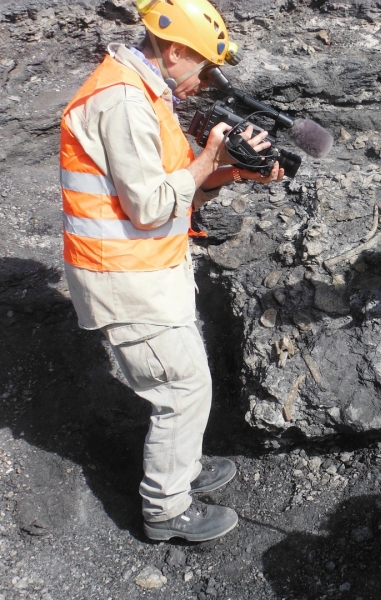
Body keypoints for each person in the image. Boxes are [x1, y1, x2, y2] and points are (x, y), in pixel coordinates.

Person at [60, 0, 284, 542]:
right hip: (123, 278)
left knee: (188, 381)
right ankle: (166, 509)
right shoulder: (122, 101)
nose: (206, 80)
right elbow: (151, 206)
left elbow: (177, 197)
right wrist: (207, 160)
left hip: (149, 271)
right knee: (181, 389)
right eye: (204, 67)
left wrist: (228, 174)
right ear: (177, 51)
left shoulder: (144, 94)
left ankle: (182, 467)